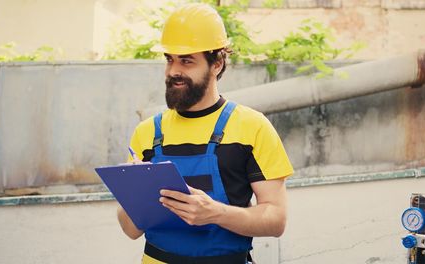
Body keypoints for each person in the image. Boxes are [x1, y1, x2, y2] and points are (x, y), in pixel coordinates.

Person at [117, 3, 293, 264]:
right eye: (170, 59)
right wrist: (132, 194)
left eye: (187, 61)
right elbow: (131, 230)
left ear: (217, 63)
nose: (174, 71)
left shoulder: (252, 127)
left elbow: (276, 220)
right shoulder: (147, 133)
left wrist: (216, 213)